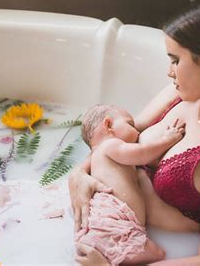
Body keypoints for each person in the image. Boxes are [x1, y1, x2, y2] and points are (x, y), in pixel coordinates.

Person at [69, 0, 200, 265]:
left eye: (175, 60)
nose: (169, 72)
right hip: (104, 227)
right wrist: (78, 176)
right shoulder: (179, 96)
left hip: (148, 254)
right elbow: (114, 143)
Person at [75, 104, 186, 265]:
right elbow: (142, 154)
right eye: (130, 124)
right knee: (158, 254)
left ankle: (105, 257)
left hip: (109, 227)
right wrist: (167, 139)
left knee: (154, 252)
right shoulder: (109, 145)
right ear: (108, 125)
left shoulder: (97, 158)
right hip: (114, 224)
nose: (138, 131)